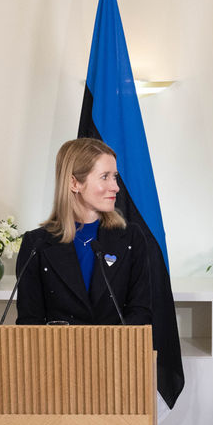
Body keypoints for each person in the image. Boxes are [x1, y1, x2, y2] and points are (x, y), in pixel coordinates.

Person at [15, 138, 153, 325]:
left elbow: (140, 313)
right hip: (58, 353)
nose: (116, 187)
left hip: (116, 353)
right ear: (74, 183)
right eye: (105, 176)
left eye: (115, 176)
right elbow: (30, 323)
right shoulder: (36, 245)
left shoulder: (131, 238)